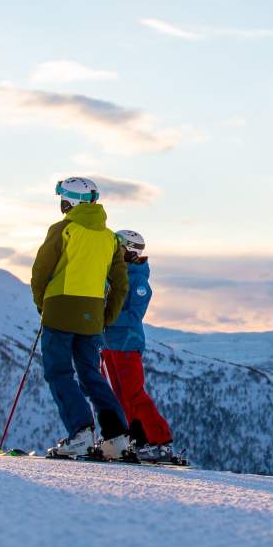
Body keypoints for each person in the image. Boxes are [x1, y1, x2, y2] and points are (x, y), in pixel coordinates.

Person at [30, 177, 133, 459]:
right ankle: (117, 438)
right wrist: (106, 316)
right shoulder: (110, 238)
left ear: (70, 201)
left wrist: (43, 304)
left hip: (60, 309)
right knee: (91, 375)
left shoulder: (63, 229)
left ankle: (81, 432)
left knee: (59, 372)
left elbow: (40, 272)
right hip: (92, 317)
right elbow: (120, 284)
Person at [101, 229, 178, 462]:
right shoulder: (114, 275)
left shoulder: (138, 281)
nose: (114, 251)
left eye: (118, 247)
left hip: (126, 344)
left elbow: (134, 316)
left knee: (135, 394)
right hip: (108, 344)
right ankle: (138, 440)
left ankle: (161, 440)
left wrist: (104, 317)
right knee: (121, 396)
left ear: (129, 250)